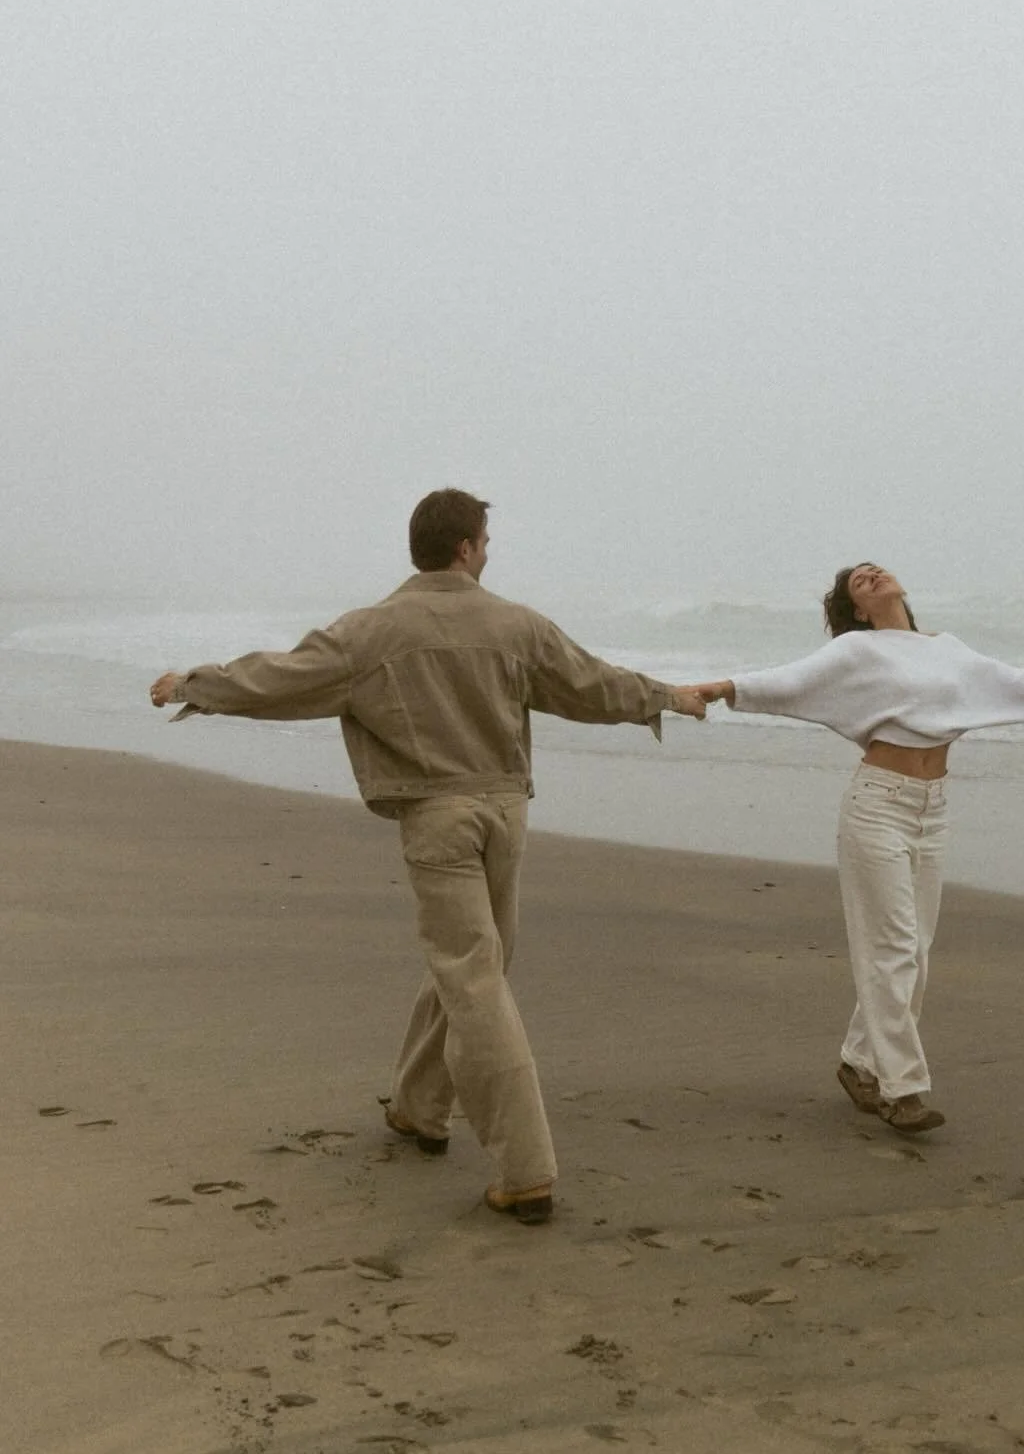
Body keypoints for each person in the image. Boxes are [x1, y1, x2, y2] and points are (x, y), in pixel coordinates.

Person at [149, 489, 706, 1226]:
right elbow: (592, 684)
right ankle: (424, 1111)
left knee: (470, 972)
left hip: (438, 816)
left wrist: (194, 685)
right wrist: (669, 696)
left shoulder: (371, 631)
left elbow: (280, 675)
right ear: (468, 547)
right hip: (506, 813)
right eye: (485, 540)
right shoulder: (516, 624)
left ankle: (523, 1168)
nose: (488, 551)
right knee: (477, 965)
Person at [695, 563, 1024, 1136]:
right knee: (893, 947)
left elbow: (1013, 683)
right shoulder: (857, 652)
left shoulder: (948, 650)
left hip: (933, 807)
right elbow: (789, 681)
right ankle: (903, 1090)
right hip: (878, 805)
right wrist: (723, 688)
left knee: (915, 951)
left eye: (875, 570)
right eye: (858, 583)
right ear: (858, 611)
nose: (871, 576)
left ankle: (858, 1062)